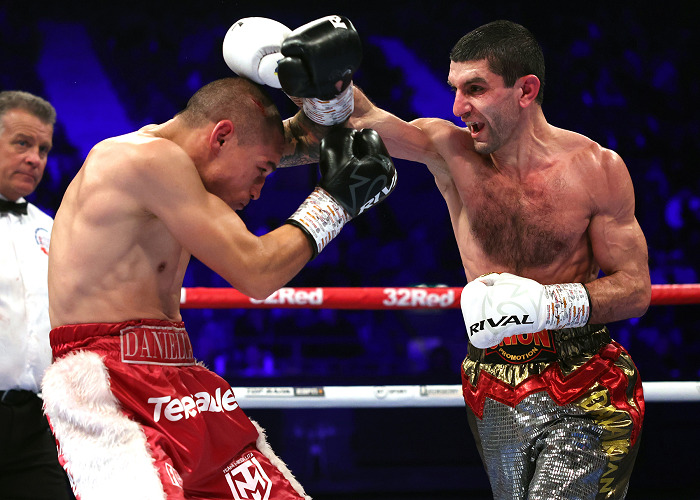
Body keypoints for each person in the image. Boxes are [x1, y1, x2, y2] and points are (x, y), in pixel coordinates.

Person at [42, 17, 396, 500]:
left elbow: (315, 138)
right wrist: (336, 202)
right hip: (109, 381)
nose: (260, 188)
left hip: (178, 372)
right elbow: (257, 272)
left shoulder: (182, 172)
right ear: (221, 136)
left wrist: (323, 90)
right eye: (262, 170)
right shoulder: (142, 160)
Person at [348, 19, 650, 500]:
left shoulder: (596, 168)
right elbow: (358, 123)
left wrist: (547, 305)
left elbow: (635, 289)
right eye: (455, 89)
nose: (457, 107)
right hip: (490, 380)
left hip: (584, 379)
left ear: (525, 90)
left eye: (475, 89)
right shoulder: (449, 151)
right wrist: (315, 81)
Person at [0, 90, 74, 499]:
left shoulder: (51, 228)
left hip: (35, 419)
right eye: (22, 143)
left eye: (43, 149)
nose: (35, 159)